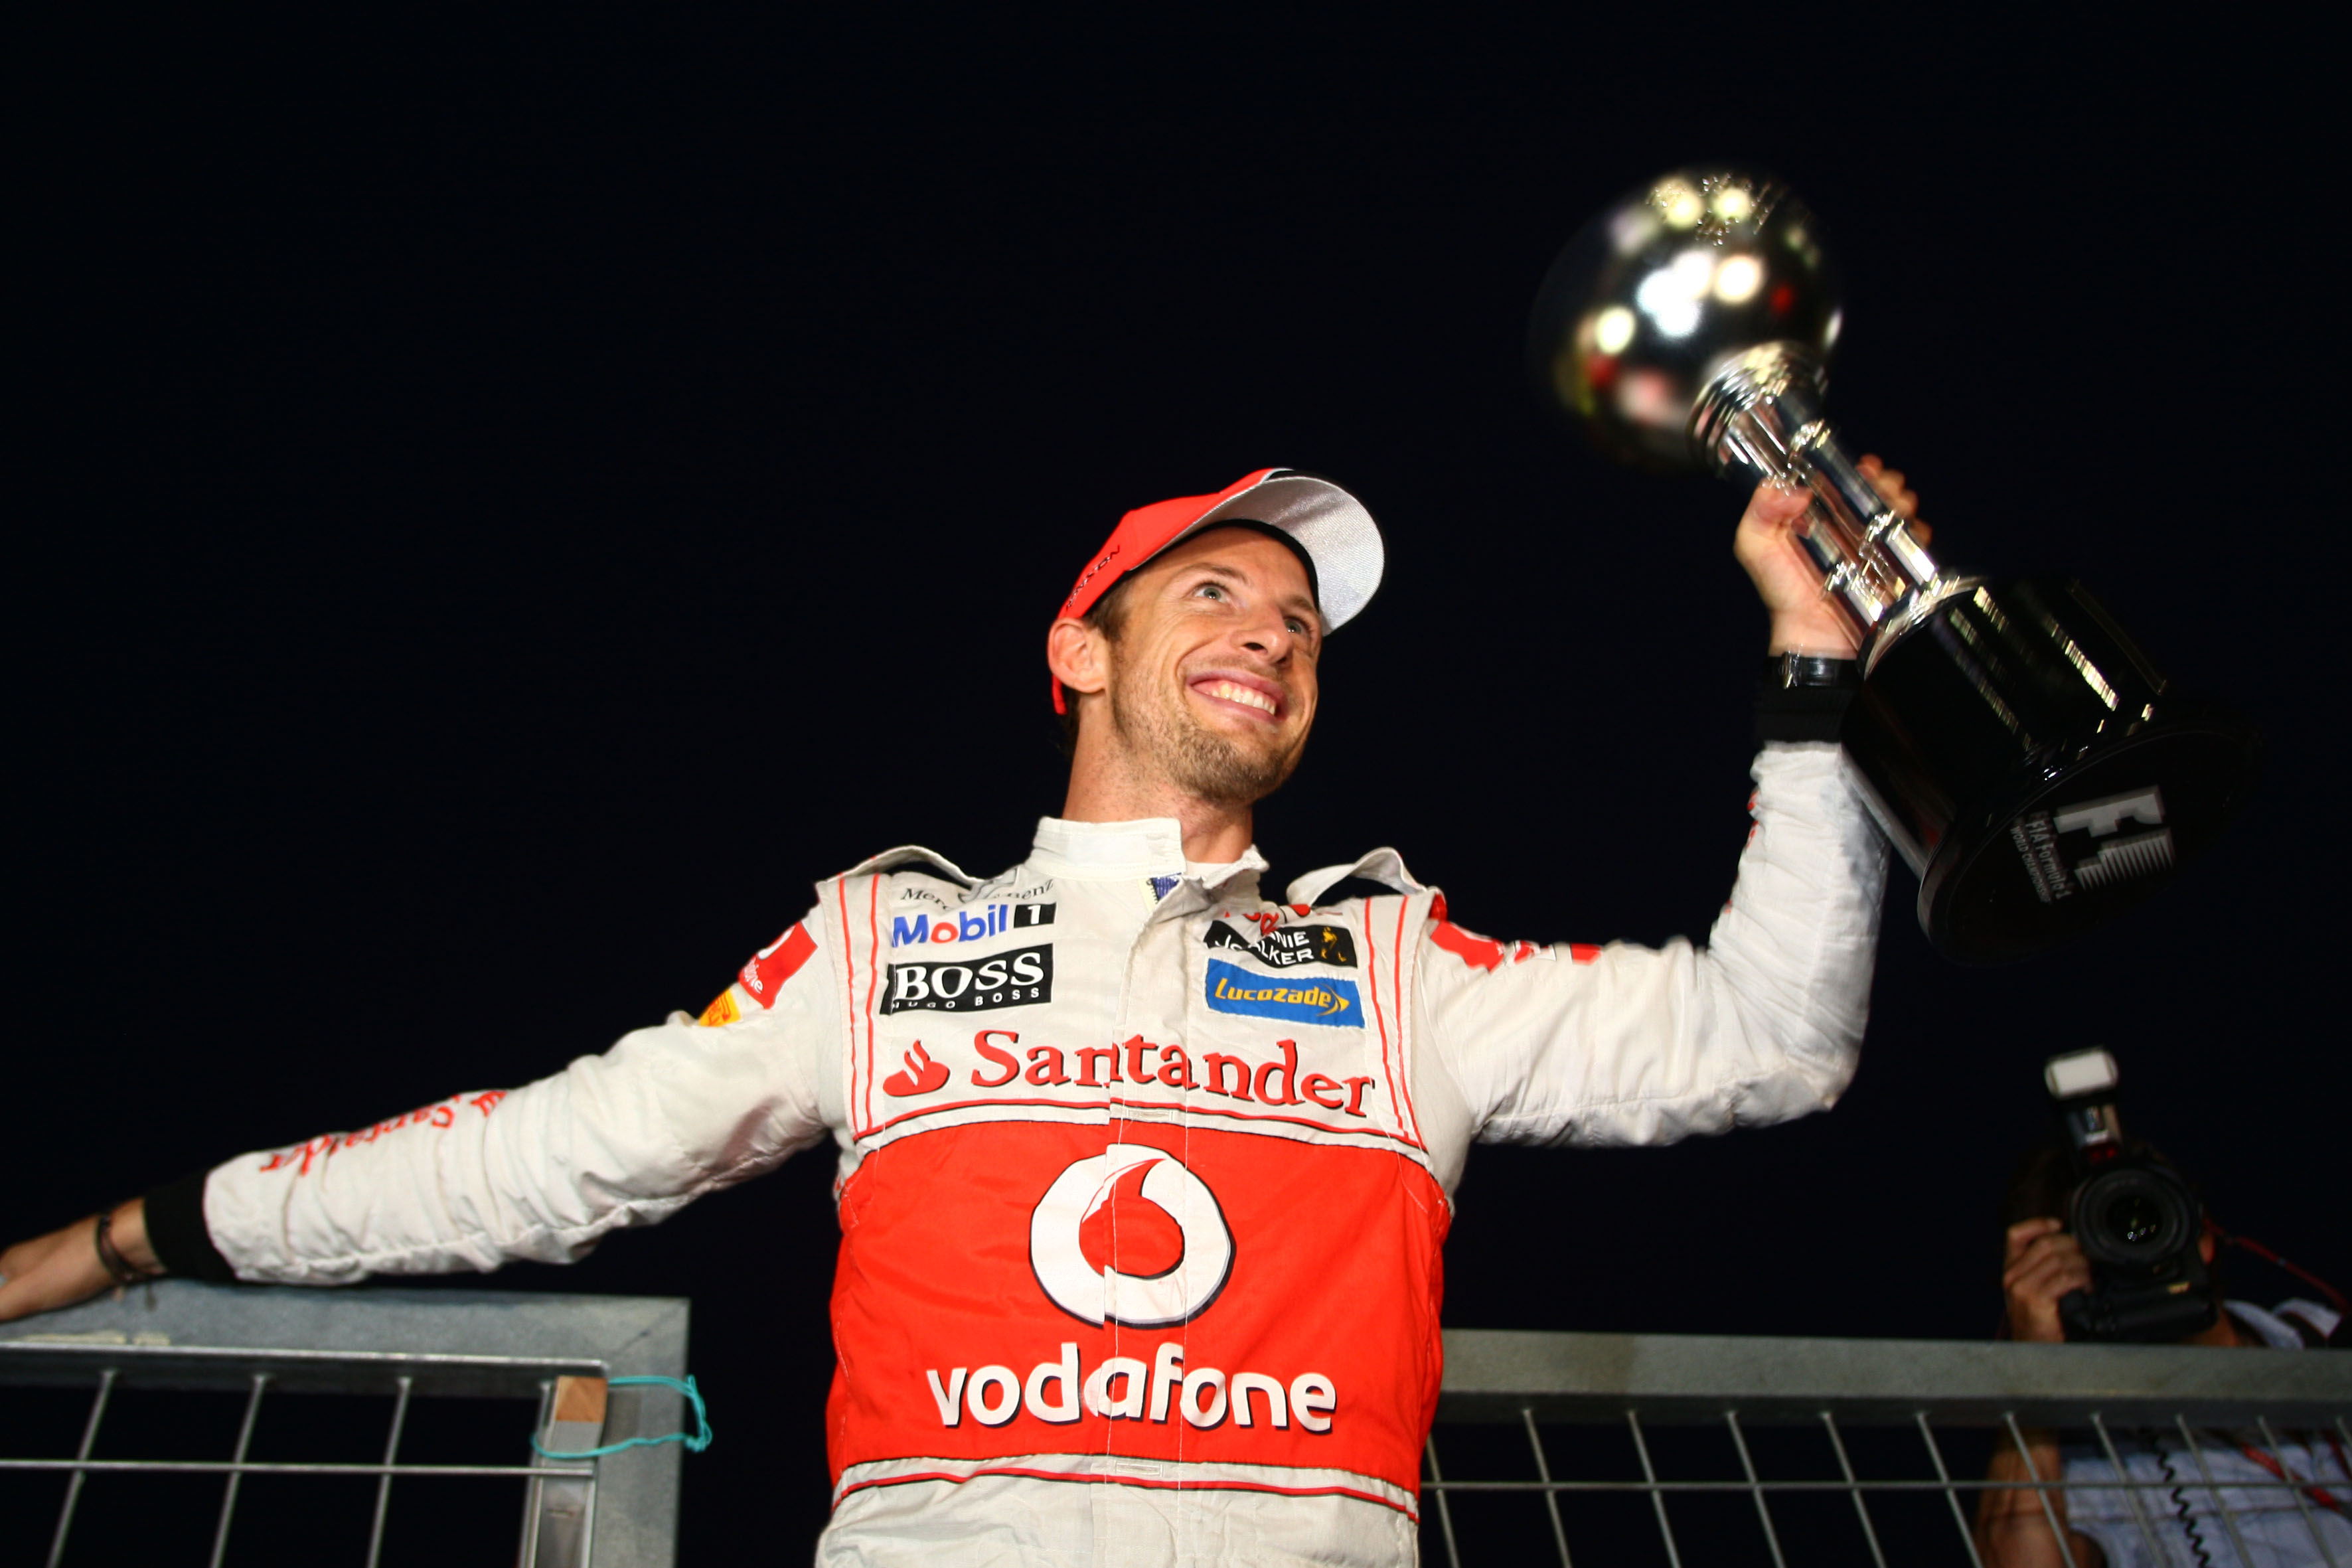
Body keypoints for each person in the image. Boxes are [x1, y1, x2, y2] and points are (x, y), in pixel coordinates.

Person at [4, 462, 1905, 1566]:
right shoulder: (878, 946)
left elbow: (1771, 1033)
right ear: (1081, 646)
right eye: (1215, 591)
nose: (1269, 632)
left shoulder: (1403, 969)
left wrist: (1810, 663)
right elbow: (531, 1162)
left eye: (1302, 624)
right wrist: (126, 1235)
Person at [1977, 1150, 2349, 1568]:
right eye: (2101, 1244)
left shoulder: (2314, 1333)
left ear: (2201, 1233)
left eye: (2146, 1225)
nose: (2134, 1255)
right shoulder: (2101, 1467)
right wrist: (2036, 1363)